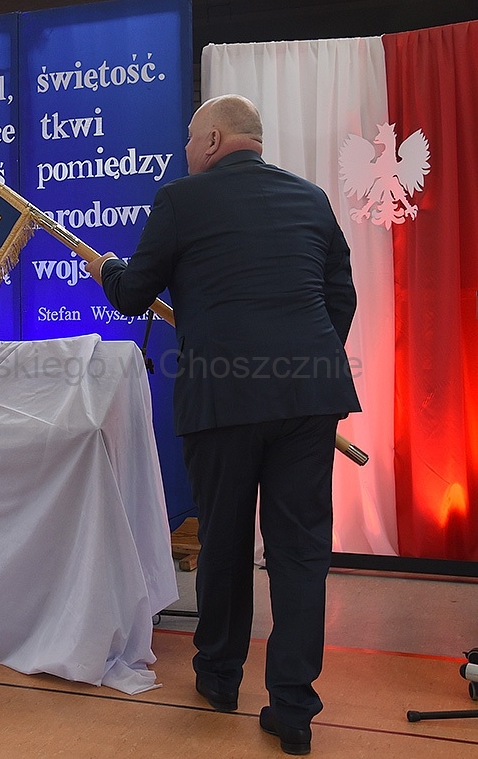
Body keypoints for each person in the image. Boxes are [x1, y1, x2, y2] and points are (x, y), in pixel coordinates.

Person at [86, 94, 359, 756]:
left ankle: (219, 677)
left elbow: (133, 295)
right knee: (300, 552)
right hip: (308, 398)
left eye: (189, 138)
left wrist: (105, 269)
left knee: (227, 541)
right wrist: (303, 362)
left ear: (212, 140)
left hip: (223, 399)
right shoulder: (312, 200)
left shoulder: (182, 201)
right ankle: (294, 707)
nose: (185, 150)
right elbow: (341, 297)